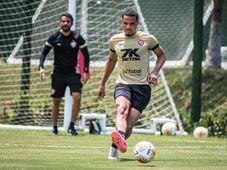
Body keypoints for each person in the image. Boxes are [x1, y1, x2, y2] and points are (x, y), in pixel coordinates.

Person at [98, 9, 167, 159]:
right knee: (121, 109)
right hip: (123, 84)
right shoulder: (114, 41)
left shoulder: (147, 39)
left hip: (142, 88)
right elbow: (110, 62)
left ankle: (115, 147)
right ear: (121, 23)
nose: (128, 27)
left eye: (132, 24)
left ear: (137, 24)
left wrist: (154, 72)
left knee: (129, 124)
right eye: (125, 23)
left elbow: (162, 55)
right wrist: (102, 83)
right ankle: (120, 137)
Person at [38, 12, 90, 135]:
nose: (65, 23)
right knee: (56, 100)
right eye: (63, 21)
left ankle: (72, 126)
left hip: (73, 73)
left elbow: (86, 55)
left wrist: (86, 71)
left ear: (71, 23)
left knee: (77, 96)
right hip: (58, 73)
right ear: (60, 23)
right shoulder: (54, 37)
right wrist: (41, 66)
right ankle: (55, 127)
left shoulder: (77, 37)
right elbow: (43, 53)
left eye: (68, 21)